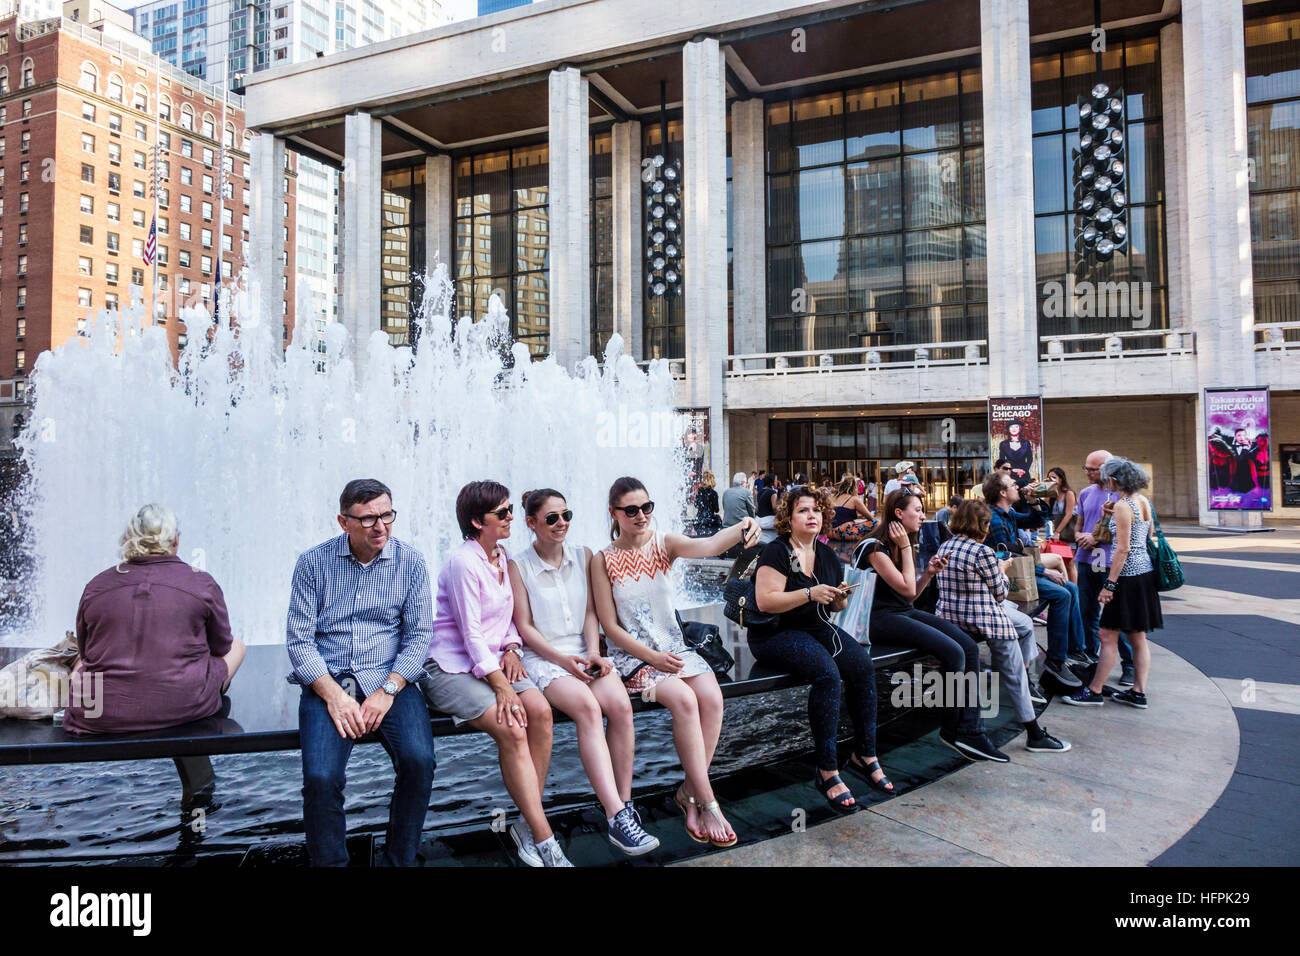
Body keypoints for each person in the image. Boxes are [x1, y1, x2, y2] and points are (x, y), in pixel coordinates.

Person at [590, 476, 761, 848]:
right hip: (636, 657)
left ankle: (689, 791)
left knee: (713, 700)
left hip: (675, 648)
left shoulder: (663, 543)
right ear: (613, 513)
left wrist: (747, 525)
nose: (641, 516)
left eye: (646, 507)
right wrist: (652, 657)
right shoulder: (602, 560)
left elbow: (709, 544)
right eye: (631, 510)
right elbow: (609, 627)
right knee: (684, 702)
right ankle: (709, 802)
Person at [421, 480, 572, 867]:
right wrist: (502, 686)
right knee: (512, 727)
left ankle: (524, 822)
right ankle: (544, 838)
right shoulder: (463, 562)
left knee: (539, 712)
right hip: (453, 667)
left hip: (493, 660)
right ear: (476, 521)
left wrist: (512, 647)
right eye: (502, 513)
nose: (510, 518)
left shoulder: (500, 556)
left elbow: (504, 622)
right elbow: (470, 634)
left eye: (509, 510)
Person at [286, 480, 436, 867]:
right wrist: (334, 695)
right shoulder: (312, 563)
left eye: (387, 515)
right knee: (321, 779)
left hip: (391, 680)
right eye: (368, 518)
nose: (380, 526)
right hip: (329, 680)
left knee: (419, 761)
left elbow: (419, 636)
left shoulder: (411, 562)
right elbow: (300, 641)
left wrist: (388, 689)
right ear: (344, 521)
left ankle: (398, 860)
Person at [508, 489, 659, 856]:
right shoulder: (518, 565)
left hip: (584, 652)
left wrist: (593, 652)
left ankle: (622, 812)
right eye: (552, 519)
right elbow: (524, 627)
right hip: (545, 659)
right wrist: (564, 662)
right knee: (589, 710)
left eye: (567, 515)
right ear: (531, 523)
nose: (562, 524)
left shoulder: (584, 555)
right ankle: (616, 812)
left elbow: (592, 613)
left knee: (621, 708)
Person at [752, 485, 893, 813]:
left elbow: (833, 610)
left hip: (814, 628)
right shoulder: (775, 551)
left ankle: (865, 754)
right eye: (803, 510)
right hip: (775, 633)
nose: (811, 515)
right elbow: (765, 601)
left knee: (862, 666)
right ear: (789, 517)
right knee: (827, 675)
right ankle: (828, 770)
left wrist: (840, 599)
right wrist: (809, 594)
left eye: (816, 510)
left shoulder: (827, 555)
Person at [66, 504, 247, 735]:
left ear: (129, 538)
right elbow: (221, 646)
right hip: (185, 706)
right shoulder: (201, 583)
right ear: (175, 541)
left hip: (100, 714)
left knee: (81, 663)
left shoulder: (97, 585)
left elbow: (88, 651)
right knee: (237, 646)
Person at [856, 488, 1007, 761]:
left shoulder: (906, 543)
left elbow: (912, 595)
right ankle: (952, 729)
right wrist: (905, 548)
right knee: (953, 652)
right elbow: (903, 588)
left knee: (968, 647)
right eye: (916, 510)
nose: (921, 515)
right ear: (899, 513)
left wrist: (928, 573)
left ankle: (971, 729)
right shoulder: (874, 548)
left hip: (901, 612)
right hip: (877, 619)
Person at [937, 501, 1069, 753]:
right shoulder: (982, 552)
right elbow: (999, 593)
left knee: (1024, 623)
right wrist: (1003, 570)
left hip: (951, 617)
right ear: (981, 525)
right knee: (1016, 671)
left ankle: (1027, 668)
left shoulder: (946, 545)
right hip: (984, 619)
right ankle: (1034, 732)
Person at [1062, 458, 1162, 710]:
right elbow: (1146, 538)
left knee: (1107, 635)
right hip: (1144, 575)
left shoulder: (1123, 505)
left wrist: (1110, 584)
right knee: (1138, 637)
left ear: (1114, 479)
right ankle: (1138, 692)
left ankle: (1094, 690)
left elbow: (1123, 549)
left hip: (1126, 577)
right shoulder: (1142, 502)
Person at [982, 472, 1087, 690]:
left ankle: (1076, 649)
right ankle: (1056, 660)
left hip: (1022, 570)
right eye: (1012, 484)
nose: (1017, 487)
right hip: (1011, 578)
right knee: (1062, 593)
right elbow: (1006, 556)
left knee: (1071, 588)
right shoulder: (994, 519)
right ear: (1002, 492)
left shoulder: (1007, 513)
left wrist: (1034, 501)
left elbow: (1037, 520)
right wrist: (1043, 571)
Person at [1074, 450, 1134, 682]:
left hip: (1108, 561)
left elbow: (1126, 530)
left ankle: (1129, 665)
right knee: (1087, 611)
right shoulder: (1086, 493)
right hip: (1085, 559)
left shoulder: (1121, 496)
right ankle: (1091, 658)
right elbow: (1078, 524)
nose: (1088, 473)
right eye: (1086, 468)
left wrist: (1095, 538)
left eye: (1093, 469)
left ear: (1107, 469)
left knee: (1115, 615)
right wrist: (1080, 535)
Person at [827, 473, 875, 563]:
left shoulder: (834, 498)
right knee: (877, 524)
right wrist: (866, 517)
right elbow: (870, 517)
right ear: (854, 487)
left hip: (831, 533)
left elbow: (842, 514)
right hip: (844, 532)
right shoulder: (854, 499)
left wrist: (858, 516)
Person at [1044, 467, 1079, 584]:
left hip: (1067, 533)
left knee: (1069, 563)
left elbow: (1069, 514)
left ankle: (1074, 589)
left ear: (1061, 479)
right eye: (1049, 477)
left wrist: (1057, 531)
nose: (1051, 479)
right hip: (1056, 534)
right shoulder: (1052, 495)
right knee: (1059, 563)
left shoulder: (1068, 493)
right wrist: (1046, 493)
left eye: (1054, 477)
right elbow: (1046, 510)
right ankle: (1065, 585)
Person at [998, 420, 1035, 486]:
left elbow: (1030, 459)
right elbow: (1002, 460)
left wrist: (1023, 470)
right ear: (1008, 429)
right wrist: (1011, 469)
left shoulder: (1026, 443)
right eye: (1011, 427)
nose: (1014, 429)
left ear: (1020, 428)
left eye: (1016, 427)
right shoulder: (1003, 444)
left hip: (1024, 474)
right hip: (1010, 475)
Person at [692, 471, 722, 538]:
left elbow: (696, 505)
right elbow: (716, 509)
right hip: (710, 522)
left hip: (699, 521)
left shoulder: (699, 491)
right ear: (712, 480)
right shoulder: (714, 493)